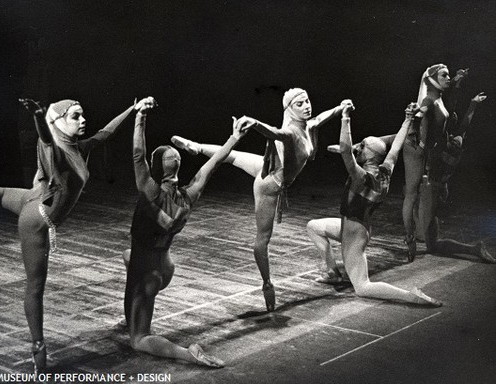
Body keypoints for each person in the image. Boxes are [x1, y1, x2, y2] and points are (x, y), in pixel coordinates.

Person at [0, 97, 143, 374]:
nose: (83, 120)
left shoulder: (79, 147)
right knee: (35, 287)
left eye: (82, 114)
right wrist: (39, 116)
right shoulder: (55, 148)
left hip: (31, 198)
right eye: (76, 116)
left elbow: (105, 134)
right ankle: (39, 353)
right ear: (59, 121)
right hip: (37, 220)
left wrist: (131, 109)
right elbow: (46, 139)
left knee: (1, 191)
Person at [171, 89, 349, 311]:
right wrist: (254, 123)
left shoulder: (308, 127)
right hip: (270, 184)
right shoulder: (291, 132)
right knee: (263, 238)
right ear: (289, 109)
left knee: (233, 157)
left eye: (307, 101)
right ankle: (266, 283)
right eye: (300, 104)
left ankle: (197, 147)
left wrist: (340, 108)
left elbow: (322, 117)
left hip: (271, 167)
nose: (306, 106)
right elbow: (273, 133)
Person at [122, 97, 249, 368]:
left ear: (156, 168)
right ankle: (131, 311)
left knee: (139, 339)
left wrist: (140, 116)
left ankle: (185, 353)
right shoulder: (188, 194)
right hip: (164, 267)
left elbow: (137, 155)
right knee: (126, 256)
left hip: (148, 274)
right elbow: (211, 165)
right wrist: (234, 137)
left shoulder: (150, 191)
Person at [306, 102, 442, 306]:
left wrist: (345, 118)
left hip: (353, 235)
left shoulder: (361, 178)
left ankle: (412, 296)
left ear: (369, 156)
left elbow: (346, 150)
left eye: (361, 147)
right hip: (354, 227)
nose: (357, 147)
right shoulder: (385, 169)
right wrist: (407, 120)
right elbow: (395, 145)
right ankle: (332, 273)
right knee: (313, 227)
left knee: (362, 287)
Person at [416, 90, 494, 263]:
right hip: (442, 186)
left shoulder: (443, 142)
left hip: (434, 187)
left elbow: (454, 120)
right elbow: (465, 122)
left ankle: (474, 249)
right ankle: (473, 249)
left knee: (432, 244)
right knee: (431, 240)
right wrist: (473, 104)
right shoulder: (456, 140)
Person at [402, 64, 452, 262]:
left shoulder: (437, 96)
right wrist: (417, 135)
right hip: (416, 149)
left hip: (427, 150)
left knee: (420, 194)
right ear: (432, 79)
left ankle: (422, 231)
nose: (447, 78)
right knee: (411, 195)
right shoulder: (429, 99)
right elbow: (418, 115)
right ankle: (409, 238)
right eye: (444, 75)